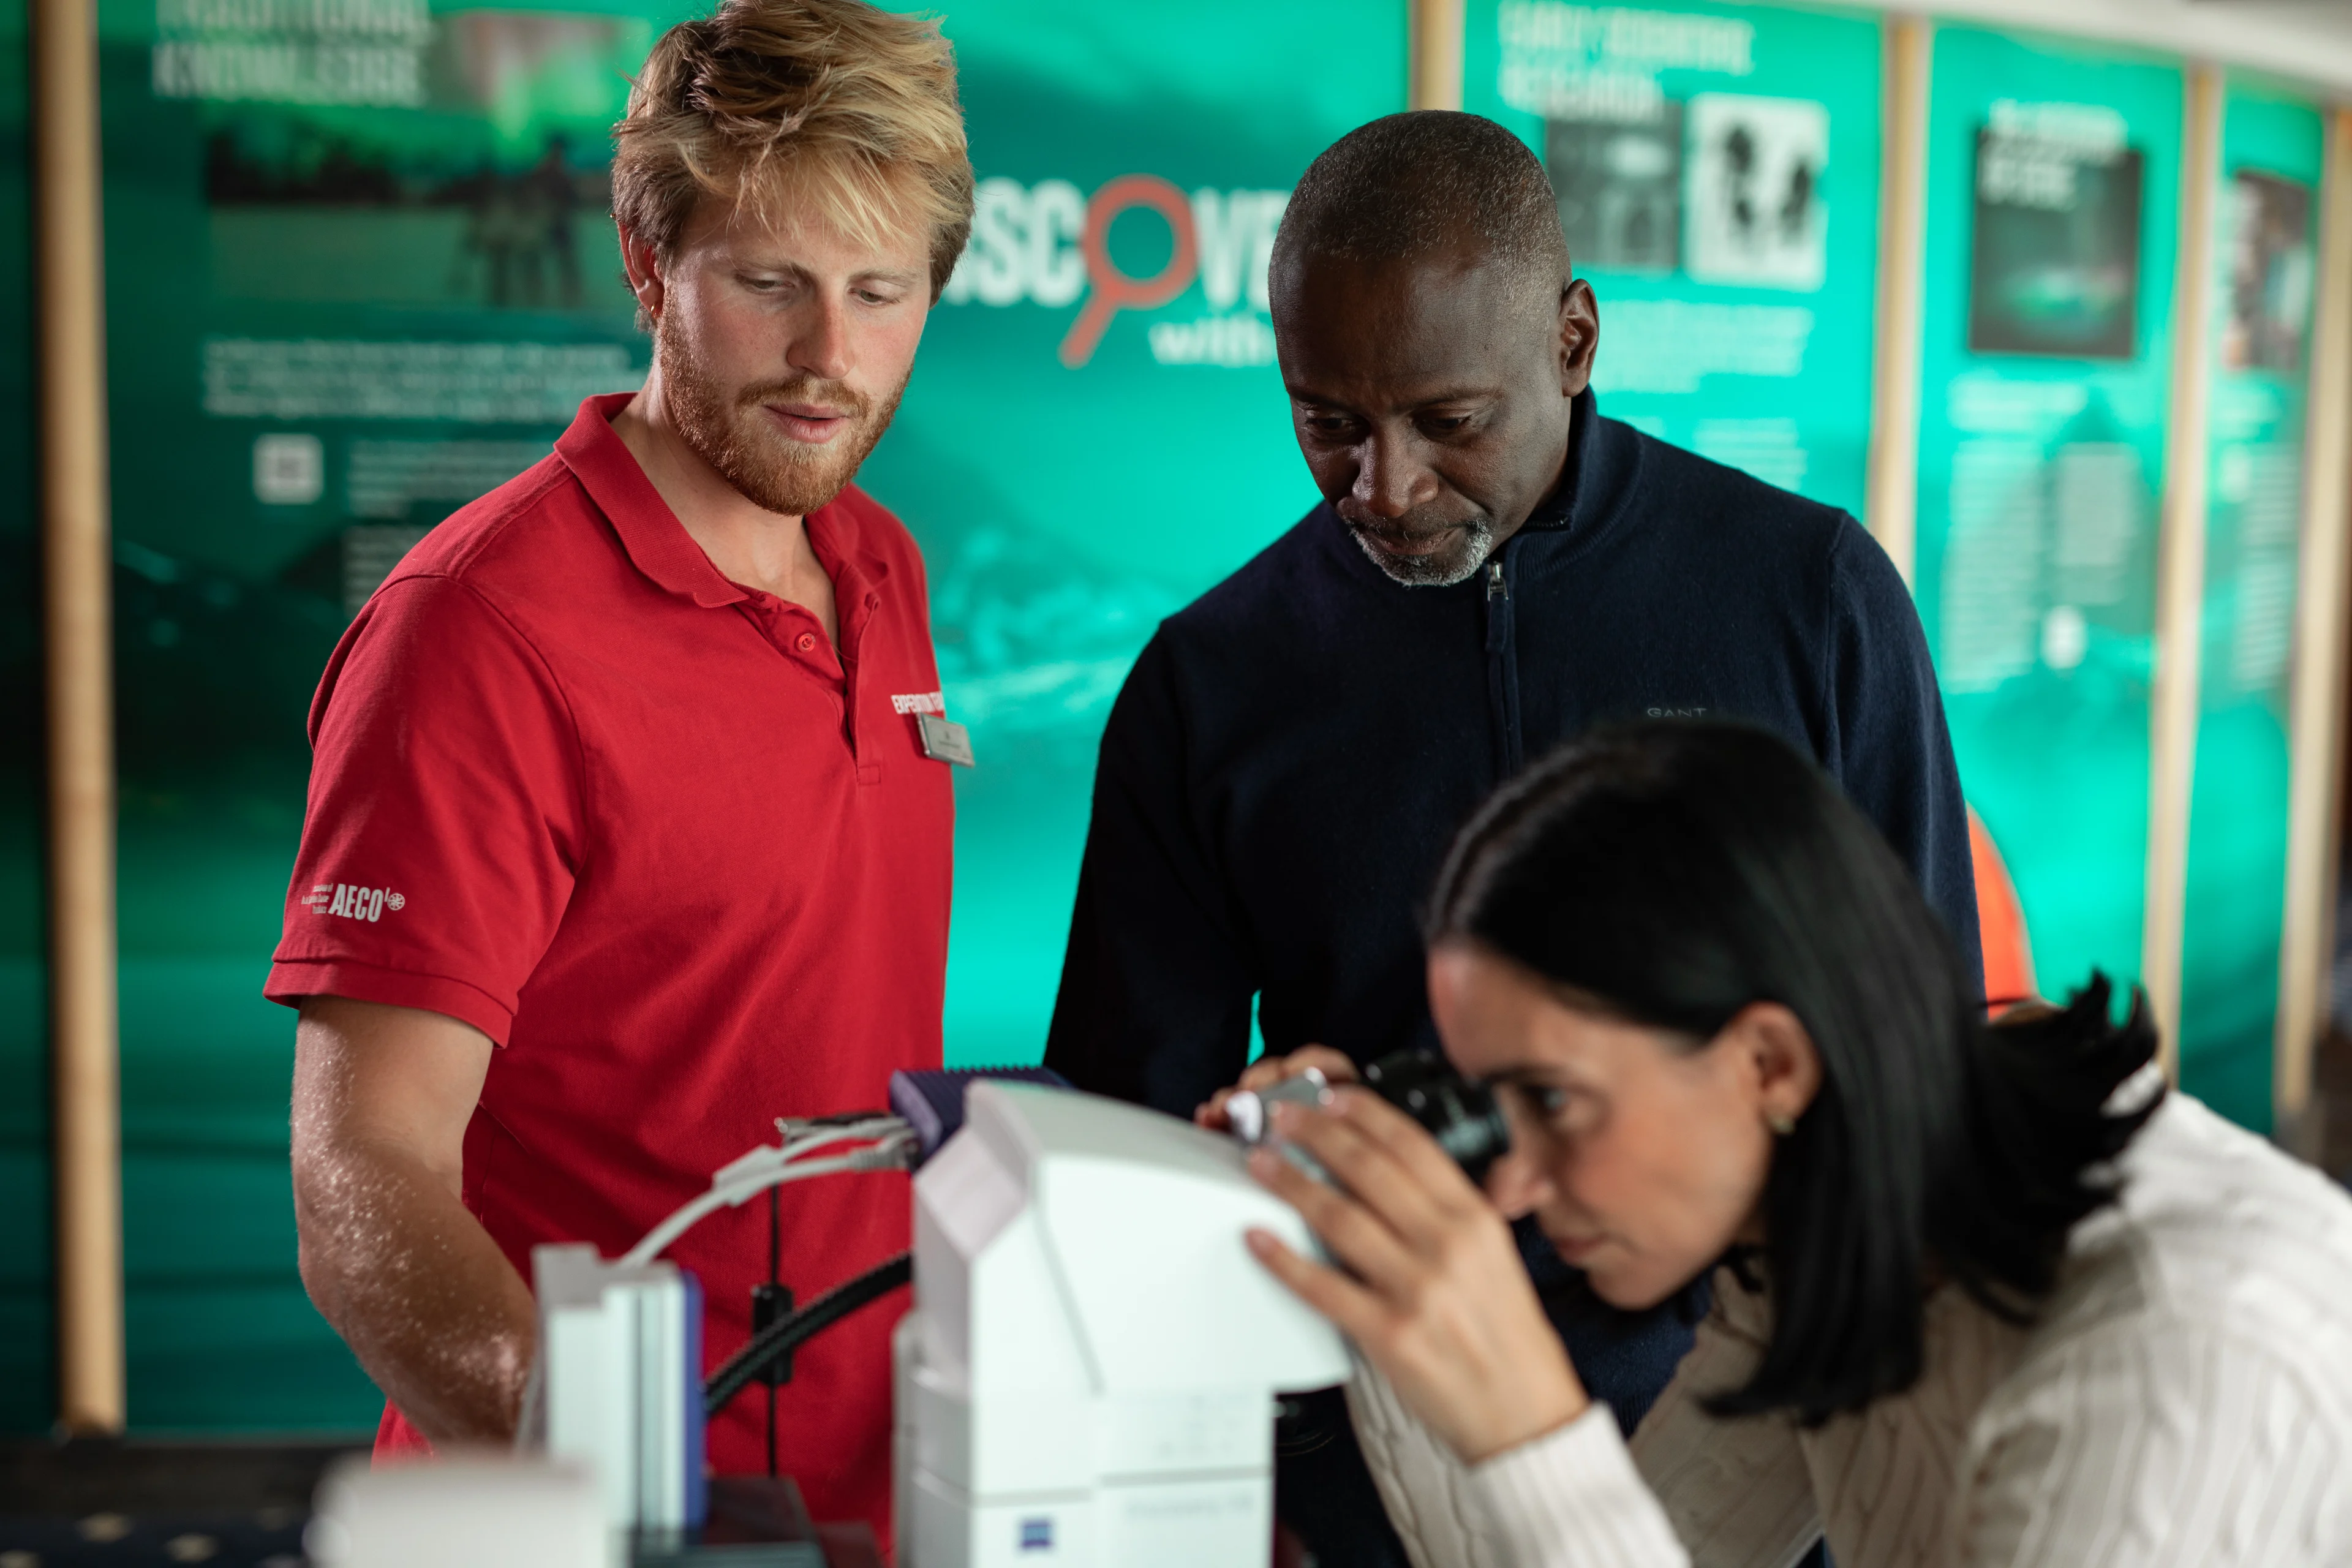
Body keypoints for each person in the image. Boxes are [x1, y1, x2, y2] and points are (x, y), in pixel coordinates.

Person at [1044, 110, 1977, 1561]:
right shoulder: (1211, 682)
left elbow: (1921, 1057)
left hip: (1762, 1437)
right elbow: (1124, 1131)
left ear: (1574, 340)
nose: (1387, 487)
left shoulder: (1812, 599)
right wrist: (1261, 1132)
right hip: (1370, 1463)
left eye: (1450, 421)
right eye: (1328, 424)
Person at [270, 0, 972, 1543]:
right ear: (653, 267)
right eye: (770, 283)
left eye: (880, 290)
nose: (828, 358)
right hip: (582, 1515)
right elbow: (363, 1178)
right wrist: (627, 1482)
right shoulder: (475, 633)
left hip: (866, 1506)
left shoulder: (884, 569)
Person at [1224, 720, 2352, 1568]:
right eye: (1485, 1107)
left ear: (1770, 1063)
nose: (1511, 1188)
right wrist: (1366, 1252)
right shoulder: (1830, 1239)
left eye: (1554, 1101)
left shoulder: (2182, 1345)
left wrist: (1532, 1421)